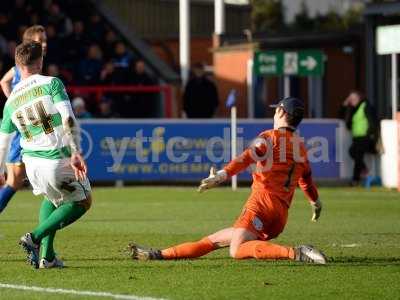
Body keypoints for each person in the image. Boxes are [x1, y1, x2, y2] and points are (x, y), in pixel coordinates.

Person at [128, 97, 327, 264]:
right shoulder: (301, 148)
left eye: (276, 111)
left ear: (282, 113)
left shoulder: (269, 137)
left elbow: (246, 158)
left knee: (236, 250)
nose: (274, 114)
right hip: (280, 215)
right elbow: (306, 182)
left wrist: (222, 175)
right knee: (214, 240)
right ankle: (158, 254)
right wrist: (315, 203)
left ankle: (296, 252)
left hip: (261, 205)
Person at [0, 41, 92, 269]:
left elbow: (4, 140)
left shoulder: (10, 101)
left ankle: (47, 257)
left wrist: (1, 169)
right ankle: (35, 236)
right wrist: (75, 150)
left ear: (18, 65)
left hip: (31, 163)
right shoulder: (51, 83)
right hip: (56, 157)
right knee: (83, 201)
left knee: (52, 199)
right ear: (40, 62)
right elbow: (68, 117)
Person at [0, 25, 47, 214]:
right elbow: (4, 81)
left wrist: (12, 98)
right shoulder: (24, 67)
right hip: (23, 127)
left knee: (17, 180)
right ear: (29, 44)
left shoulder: (30, 66)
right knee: (14, 180)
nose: (44, 44)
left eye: (45, 41)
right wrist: (14, 101)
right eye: (39, 41)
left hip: (24, 122)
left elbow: (4, 81)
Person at [340, 90, 378, 186]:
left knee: (357, 156)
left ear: (359, 98)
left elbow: (372, 121)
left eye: (354, 98)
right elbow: (342, 115)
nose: (352, 101)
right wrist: (344, 105)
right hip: (357, 137)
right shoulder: (353, 109)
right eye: (350, 99)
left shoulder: (366, 106)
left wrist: (370, 134)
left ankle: (355, 180)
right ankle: (363, 169)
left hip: (365, 137)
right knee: (352, 152)